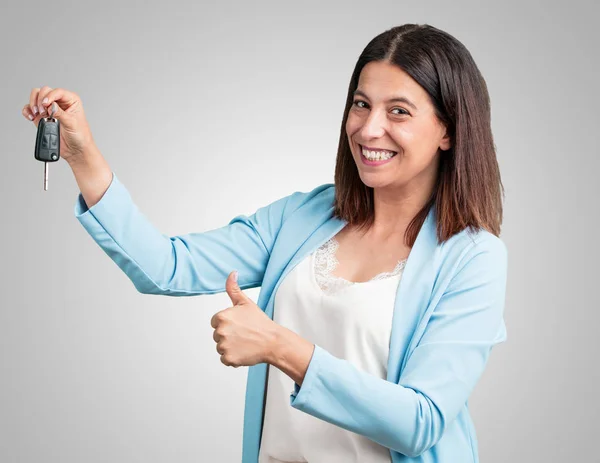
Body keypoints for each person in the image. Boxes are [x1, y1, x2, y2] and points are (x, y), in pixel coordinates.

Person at [22, 23, 507, 463]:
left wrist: (280, 347)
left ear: (448, 129)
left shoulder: (472, 258)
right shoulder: (305, 216)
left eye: (398, 111)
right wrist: (83, 156)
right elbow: (166, 267)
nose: (368, 128)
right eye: (361, 104)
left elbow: (419, 421)